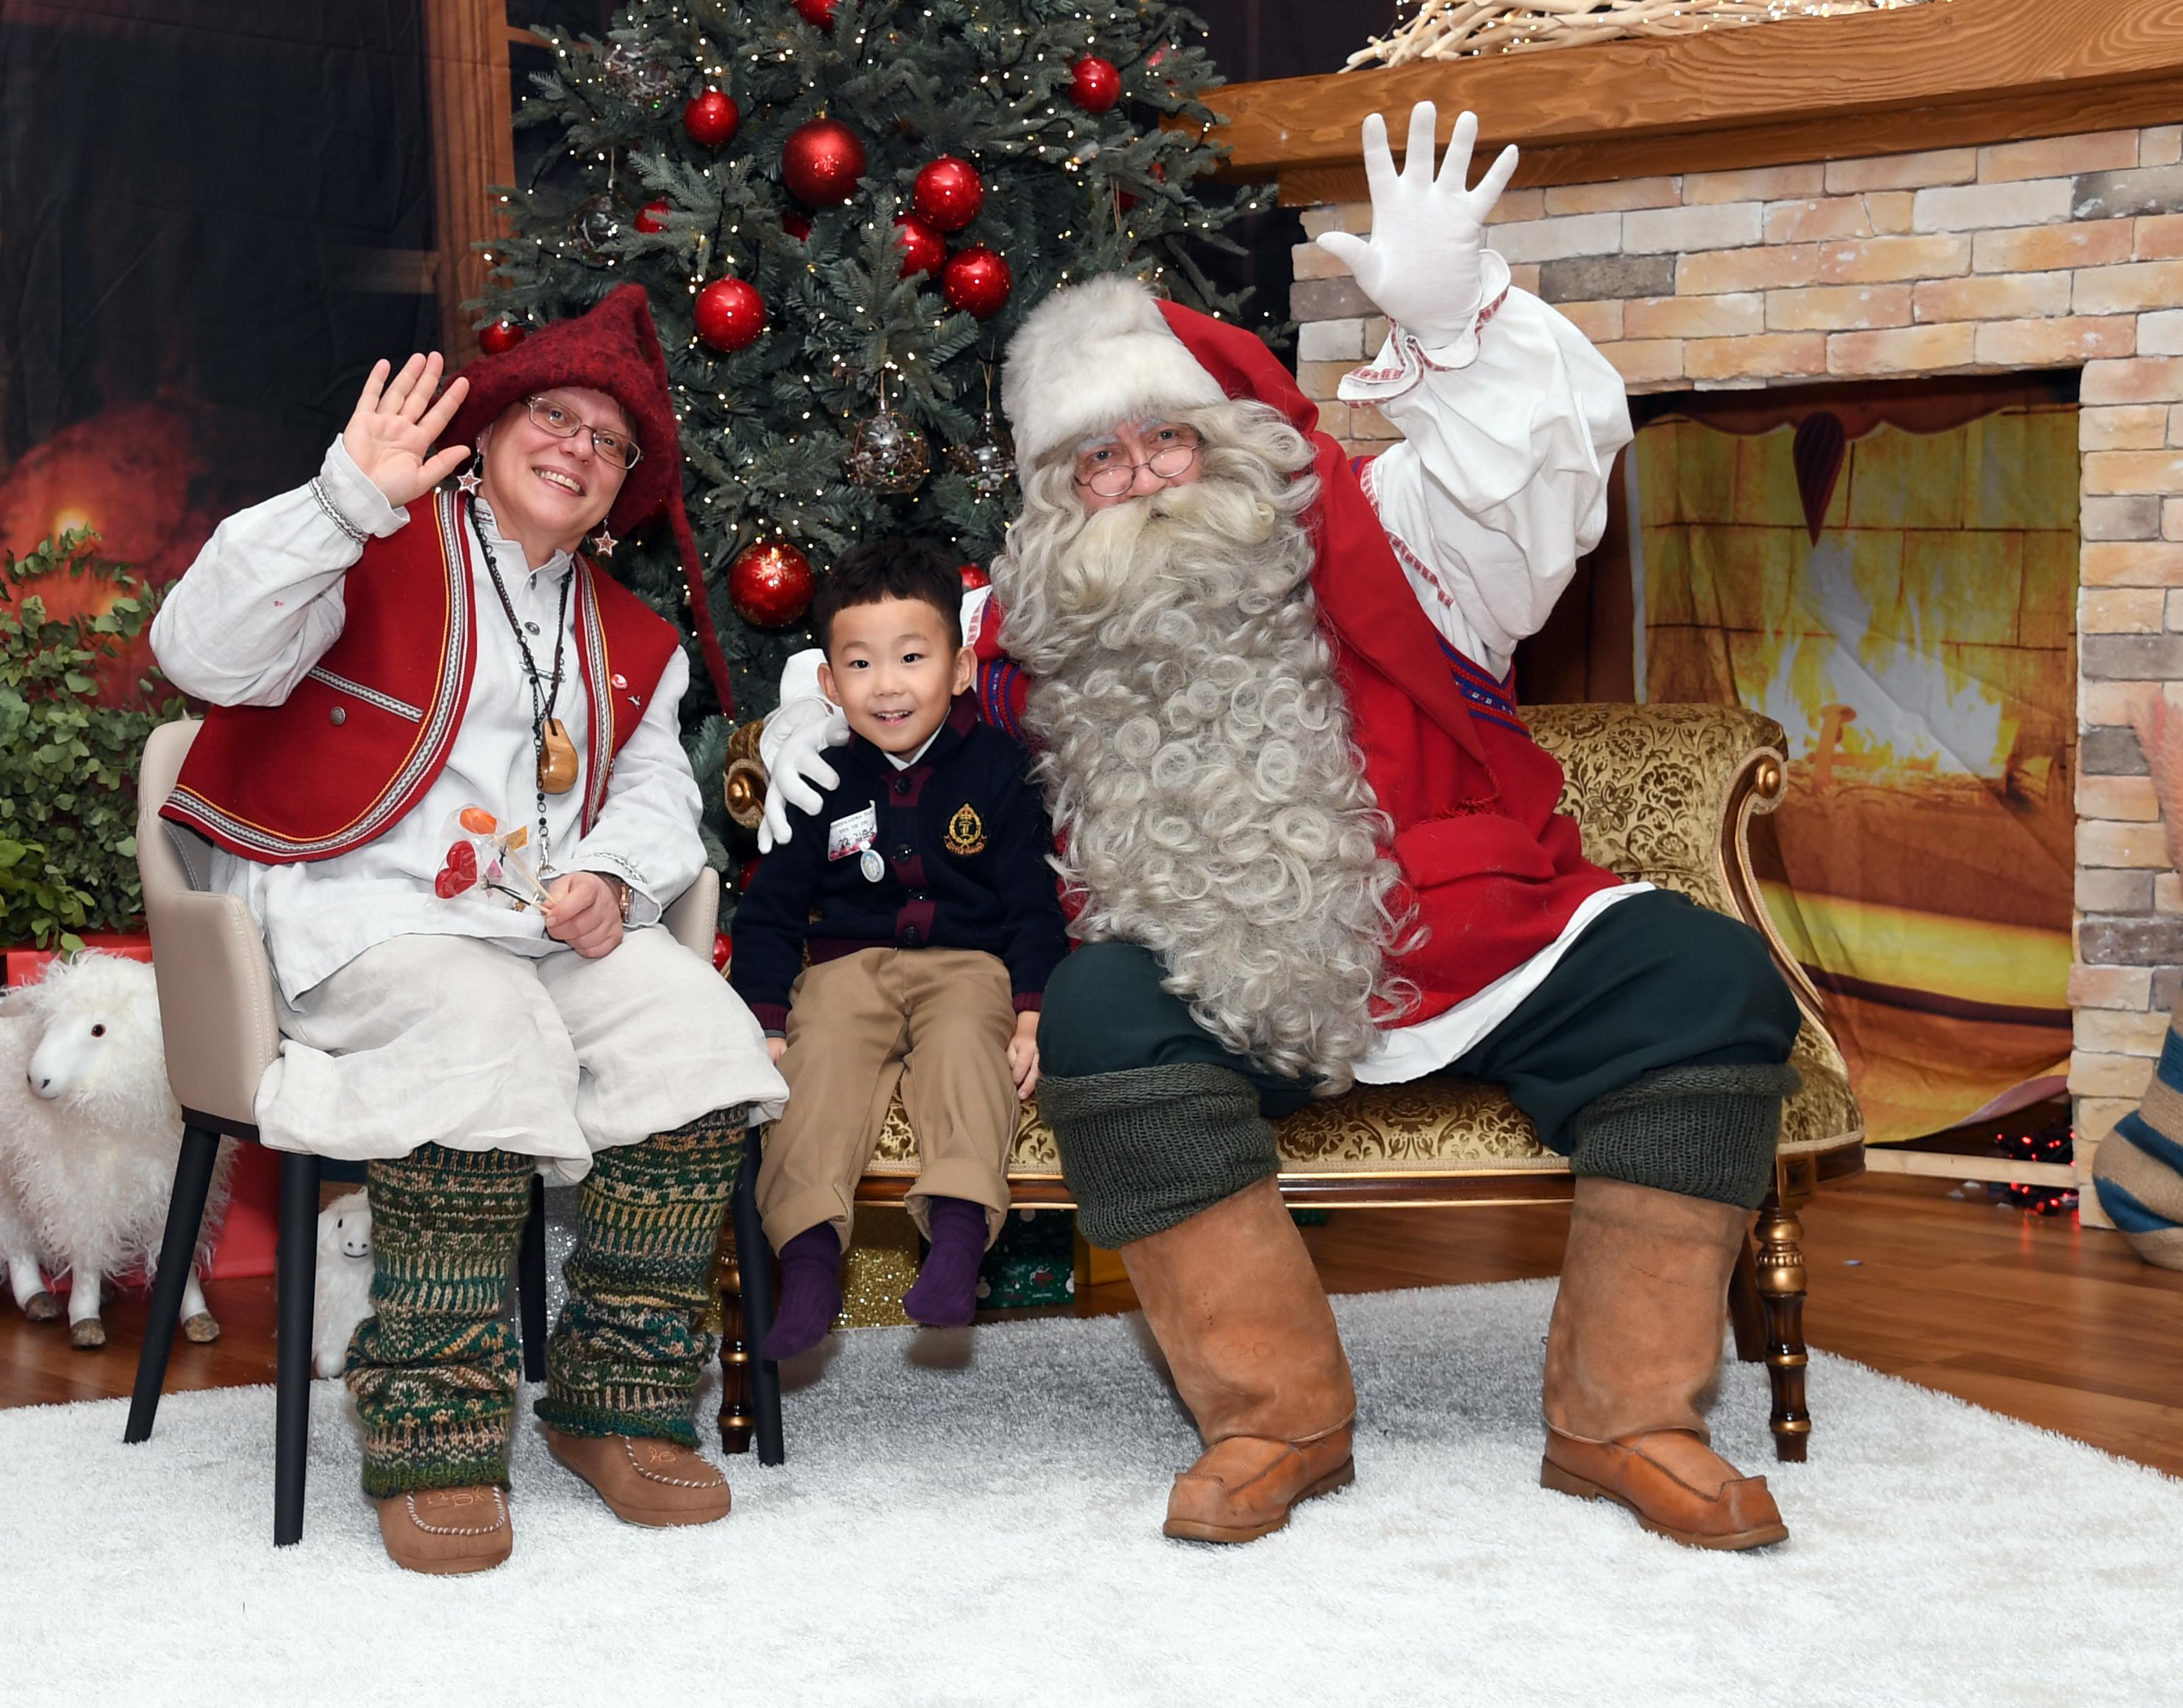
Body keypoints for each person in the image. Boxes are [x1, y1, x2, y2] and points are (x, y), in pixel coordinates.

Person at [761, 105, 1802, 1551]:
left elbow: (1537, 488)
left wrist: (1460, 329)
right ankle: (1274, 1414)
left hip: (1453, 940)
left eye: (1166, 441)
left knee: (1709, 978)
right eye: (1099, 463)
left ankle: (1627, 1416)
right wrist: (807, 708)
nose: (1138, 480)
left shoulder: (1395, 544)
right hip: (1206, 982)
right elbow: (864, 675)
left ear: (1230, 447)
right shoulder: (1018, 631)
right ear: (1056, 501)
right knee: (1107, 1008)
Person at [151, 286, 786, 1575]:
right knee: (479, 1030)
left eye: (610, 443)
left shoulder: (631, 635)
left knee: (702, 1043)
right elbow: (197, 653)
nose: (578, 451)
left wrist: (612, 868)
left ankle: (613, 1405)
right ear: (491, 430)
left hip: (544, 929)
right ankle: (433, 1430)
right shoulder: (365, 540)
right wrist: (342, 498)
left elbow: (658, 786)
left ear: (624, 487)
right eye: (554, 417)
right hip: (363, 914)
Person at [729, 539, 1066, 1355]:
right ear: (829, 683)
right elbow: (769, 913)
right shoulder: (822, 776)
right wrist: (767, 1021)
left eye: (912, 657)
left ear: (956, 669)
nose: (887, 685)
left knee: (964, 1050)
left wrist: (1031, 1013)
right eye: (861, 664)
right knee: (821, 1063)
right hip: (848, 967)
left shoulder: (996, 767)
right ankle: (808, 1257)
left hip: (967, 965)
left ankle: (954, 1240)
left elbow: (1032, 901)